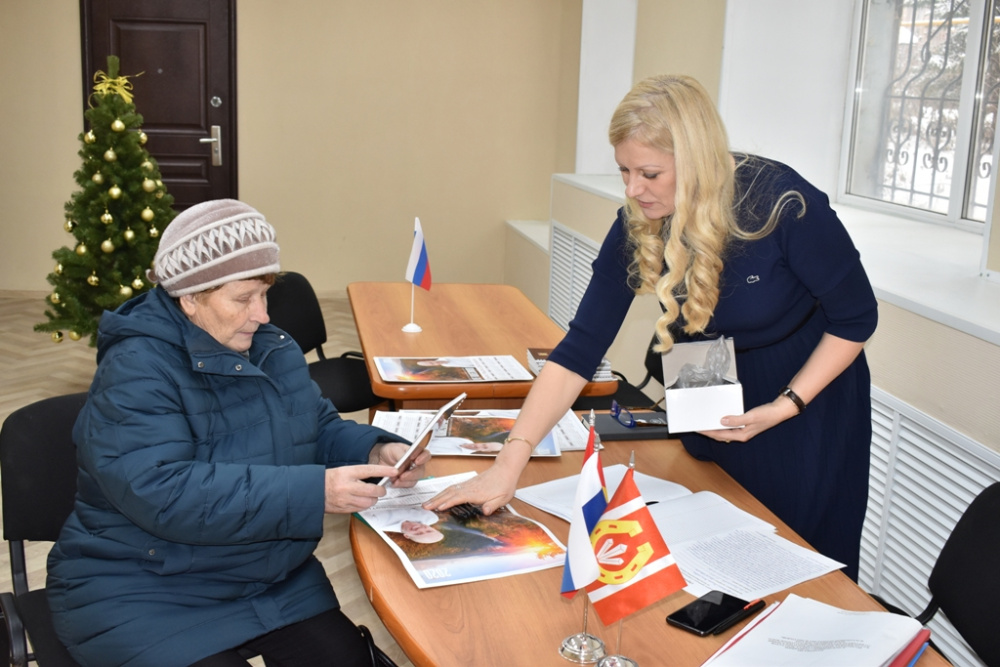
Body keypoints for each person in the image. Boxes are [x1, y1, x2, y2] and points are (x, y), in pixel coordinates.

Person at [427, 74, 878, 581]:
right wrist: (508, 462)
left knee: (798, 560)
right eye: (624, 170)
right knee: (709, 547)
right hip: (711, 382)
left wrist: (785, 404)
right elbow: (579, 350)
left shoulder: (784, 204)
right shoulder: (640, 217)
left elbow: (857, 317)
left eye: (649, 173)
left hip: (804, 394)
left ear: (698, 161)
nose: (632, 189)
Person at [46, 199, 429, 667]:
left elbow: (315, 427)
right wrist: (314, 492)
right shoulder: (136, 369)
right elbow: (163, 492)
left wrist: (375, 449)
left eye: (265, 294)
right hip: (144, 585)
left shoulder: (270, 347)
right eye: (243, 299)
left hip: (264, 574)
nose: (262, 315)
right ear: (189, 297)